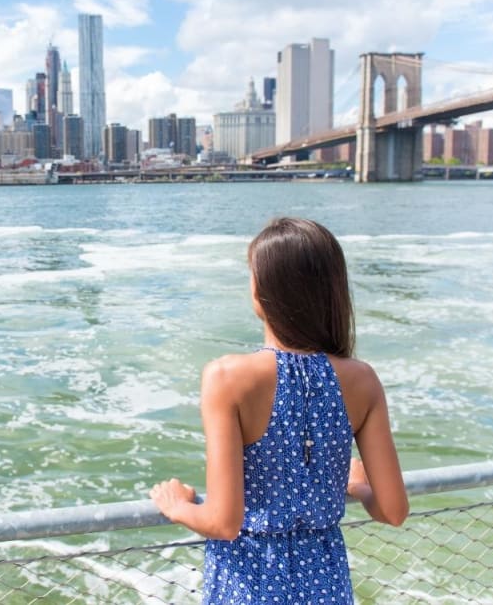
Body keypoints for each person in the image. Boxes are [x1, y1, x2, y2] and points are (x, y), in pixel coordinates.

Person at [150, 216, 408, 604]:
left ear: (262, 291)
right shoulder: (362, 380)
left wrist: (177, 506)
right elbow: (392, 510)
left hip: (249, 585)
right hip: (326, 585)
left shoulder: (227, 377)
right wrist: (358, 486)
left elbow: (223, 522)